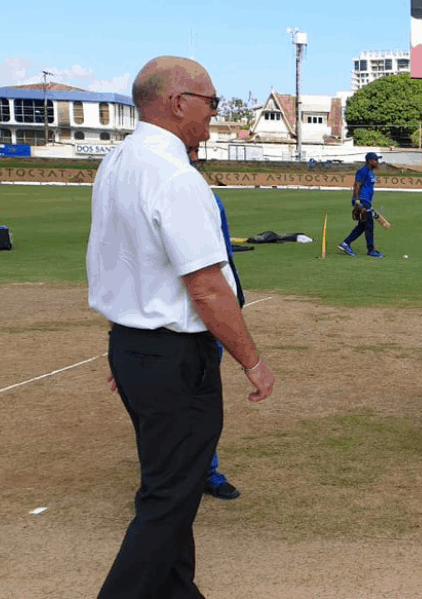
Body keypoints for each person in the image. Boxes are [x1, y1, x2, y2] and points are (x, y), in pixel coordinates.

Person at [87, 56, 275, 598]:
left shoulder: (117, 162)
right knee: (169, 498)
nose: (214, 113)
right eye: (210, 102)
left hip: (135, 347)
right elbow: (208, 288)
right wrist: (253, 362)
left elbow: (118, 263)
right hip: (173, 357)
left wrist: (128, 346)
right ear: (177, 102)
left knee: (172, 484)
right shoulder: (175, 177)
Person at [189, 147, 244, 501]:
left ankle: (206, 471)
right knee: (166, 407)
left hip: (207, 321)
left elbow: (222, 261)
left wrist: (233, 304)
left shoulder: (212, 202)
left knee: (204, 401)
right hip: (165, 323)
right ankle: (166, 478)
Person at [338, 152, 388, 258]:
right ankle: (371, 250)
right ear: (370, 161)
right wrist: (357, 201)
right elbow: (356, 185)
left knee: (363, 225)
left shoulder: (371, 173)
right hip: (362, 200)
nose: (377, 162)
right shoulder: (363, 171)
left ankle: (346, 243)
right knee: (369, 225)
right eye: (376, 160)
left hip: (367, 201)